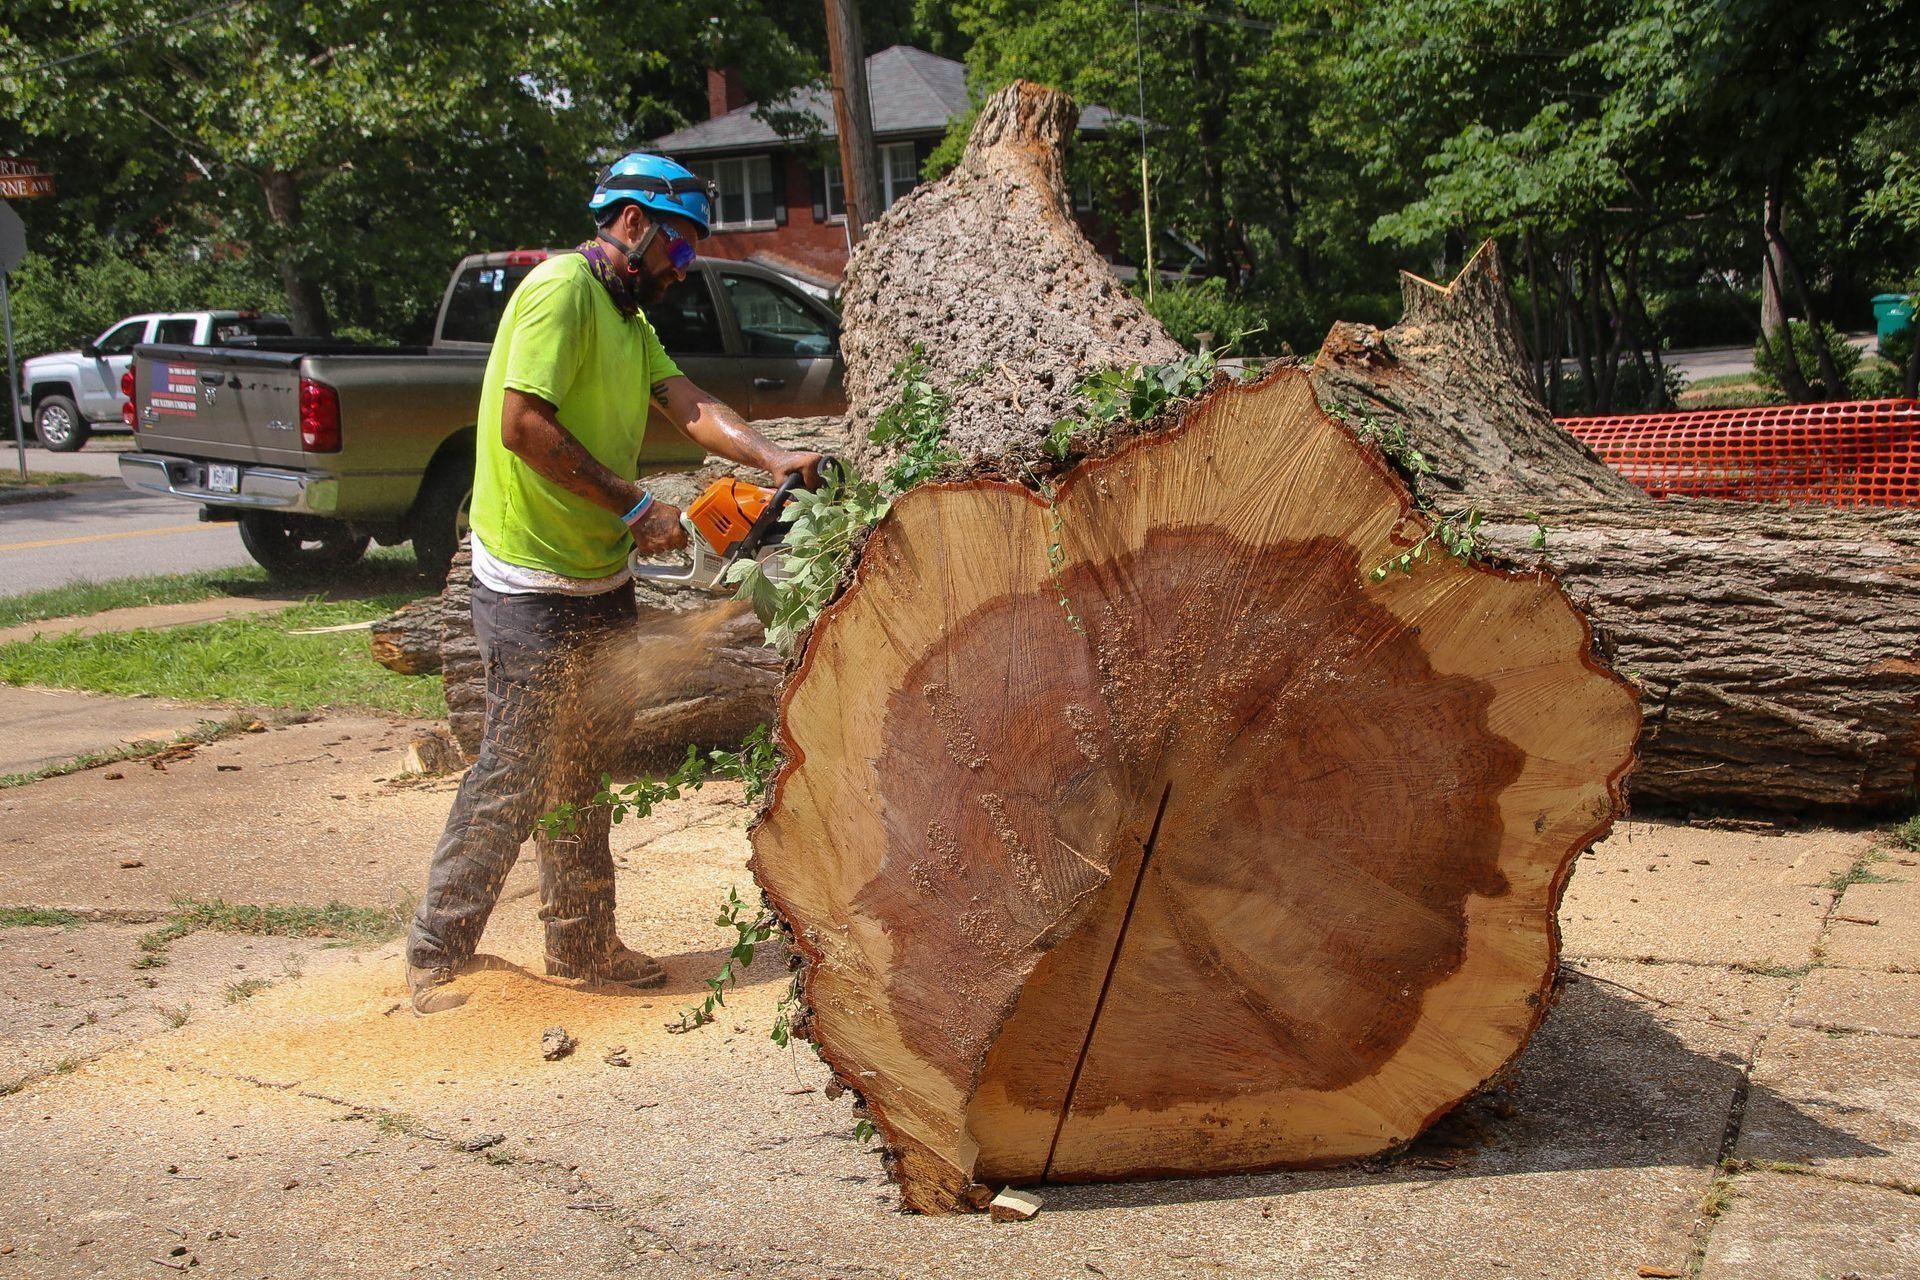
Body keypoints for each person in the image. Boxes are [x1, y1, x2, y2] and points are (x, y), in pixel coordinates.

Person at [406, 153, 823, 1015]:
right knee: (515, 770)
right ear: (633, 222)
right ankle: (437, 952)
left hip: (595, 582)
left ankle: (582, 943)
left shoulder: (629, 321)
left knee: (588, 765)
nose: (684, 265)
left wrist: (777, 457)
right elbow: (525, 426)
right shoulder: (563, 291)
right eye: (678, 245)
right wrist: (638, 507)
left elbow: (691, 405)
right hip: (526, 584)